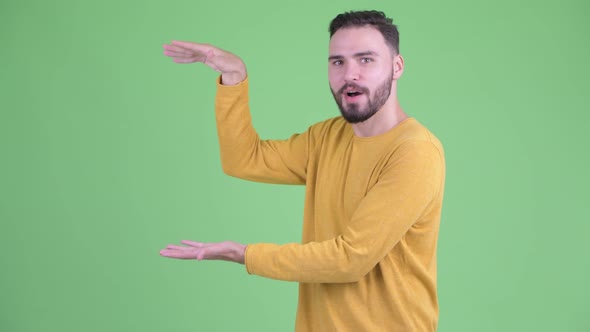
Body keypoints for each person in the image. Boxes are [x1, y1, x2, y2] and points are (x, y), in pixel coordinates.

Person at [160, 10, 445, 331]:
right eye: (338, 62)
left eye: (365, 60)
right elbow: (244, 159)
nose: (350, 74)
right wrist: (234, 77)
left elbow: (351, 258)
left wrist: (246, 255)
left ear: (397, 67)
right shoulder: (326, 137)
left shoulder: (415, 151)